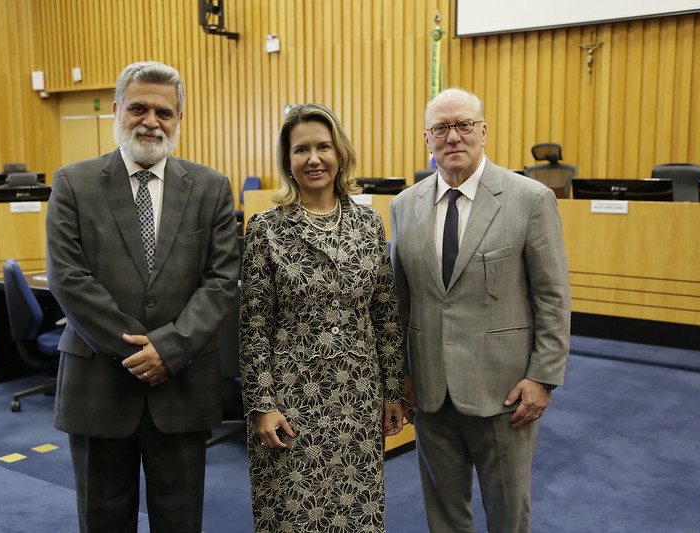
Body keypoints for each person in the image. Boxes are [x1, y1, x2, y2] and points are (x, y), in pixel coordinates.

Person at [45, 61, 240, 533]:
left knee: (180, 520)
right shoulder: (73, 183)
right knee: (103, 519)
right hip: (99, 384)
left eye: (164, 112)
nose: (151, 121)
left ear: (178, 119)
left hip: (182, 384)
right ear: (116, 110)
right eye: (138, 108)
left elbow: (221, 280)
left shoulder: (211, 187)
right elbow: (69, 279)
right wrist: (139, 352)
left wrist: (168, 351)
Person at [389, 88, 571, 533]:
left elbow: (552, 296)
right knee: (444, 516)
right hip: (430, 394)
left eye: (464, 125)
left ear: (483, 131)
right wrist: (401, 377)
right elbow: (399, 302)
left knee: (508, 516)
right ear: (426, 139)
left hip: (504, 394)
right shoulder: (402, 207)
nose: (453, 136)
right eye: (441, 128)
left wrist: (543, 377)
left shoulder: (529, 198)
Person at [238, 103, 406, 532]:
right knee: (295, 514)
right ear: (288, 161)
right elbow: (254, 327)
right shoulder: (265, 229)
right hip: (292, 399)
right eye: (301, 150)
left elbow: (385, 315)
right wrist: (262, 405)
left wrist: (393, 391)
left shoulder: (369, 224)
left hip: (358, 396)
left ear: (340, 153)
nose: (314, 158)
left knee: (357, 514)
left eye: (323, 147)